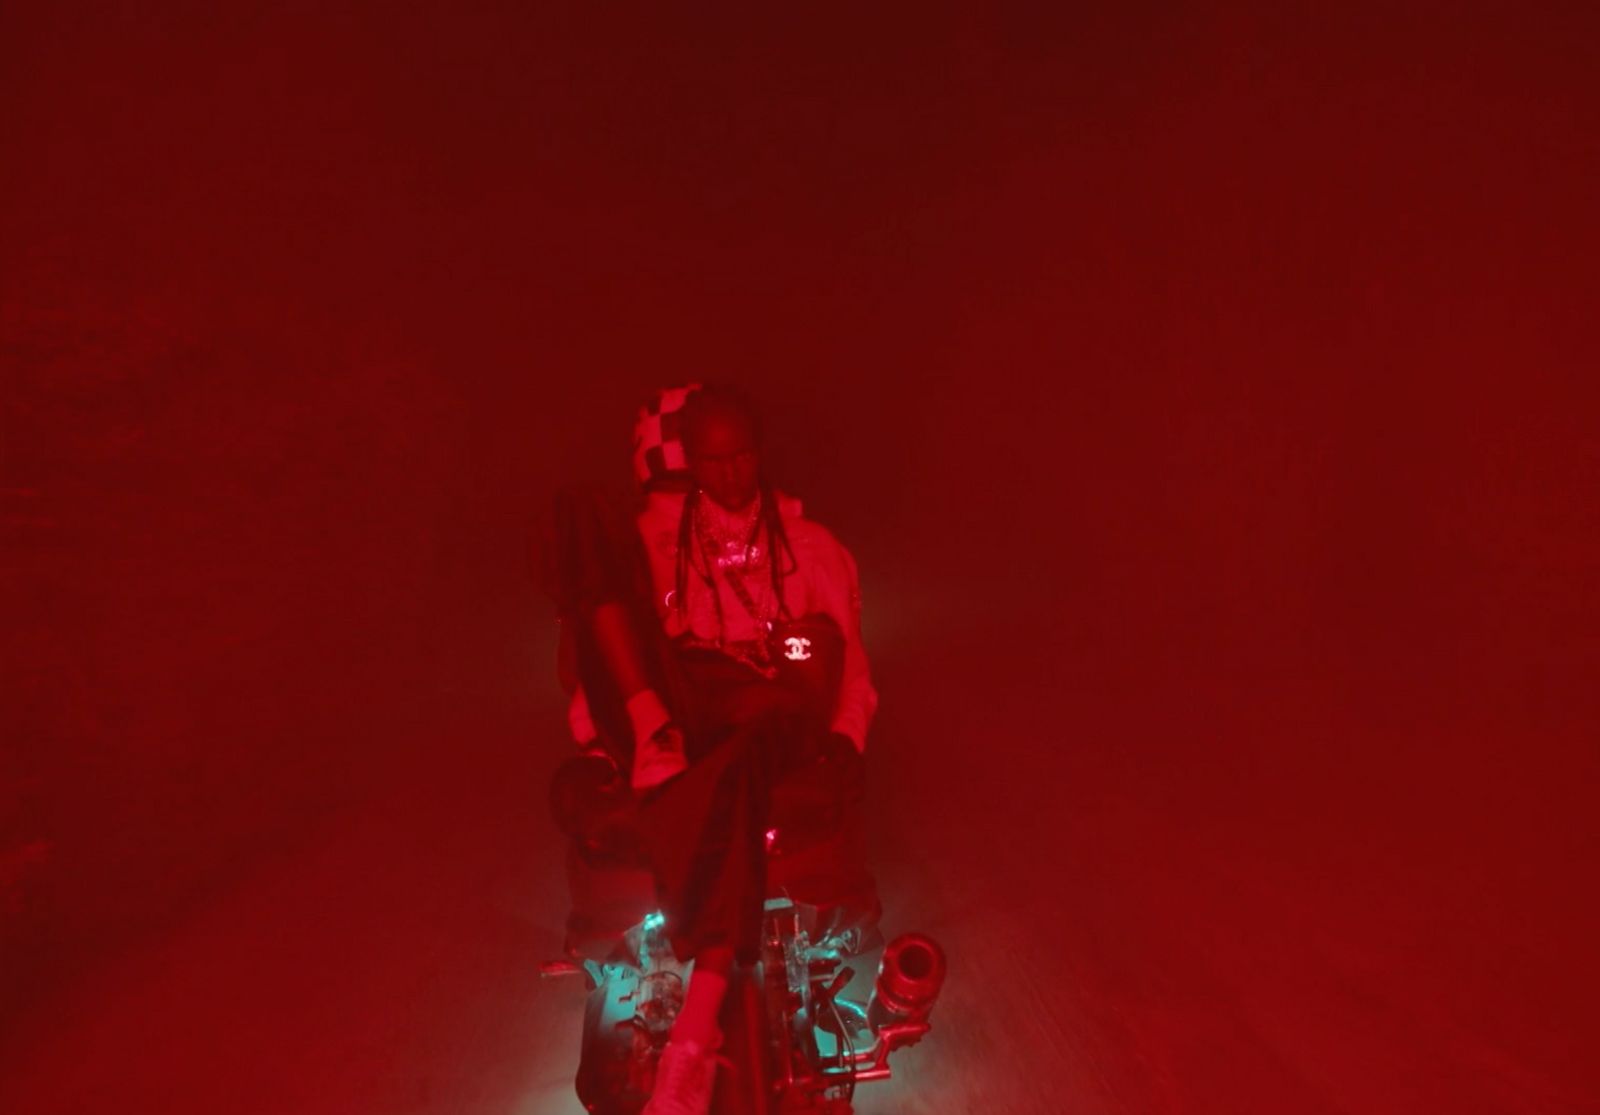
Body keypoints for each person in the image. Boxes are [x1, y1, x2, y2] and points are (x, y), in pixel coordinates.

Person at [549, 385, 875, 1115]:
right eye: (712, 460)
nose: (730, 474)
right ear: (688, 463)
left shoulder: (814, 548)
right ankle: (653, 734)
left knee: (746, 737)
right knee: (582, 528)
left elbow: (852, 669)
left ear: (761, 453)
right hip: (696, 715)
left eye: (743, 456)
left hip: (775, 720)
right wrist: (610, 742)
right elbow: (599, 651)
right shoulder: (662, 545)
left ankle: (701, 1012)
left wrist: (846, 741)